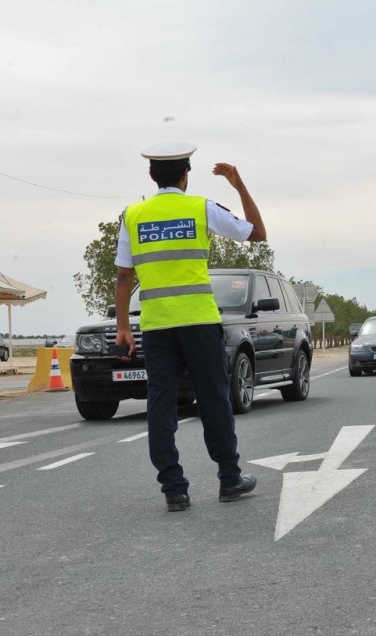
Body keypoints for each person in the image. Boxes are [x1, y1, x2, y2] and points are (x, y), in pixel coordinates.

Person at [114, 142, 266, 511]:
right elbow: (257, 233)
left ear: (152, 176)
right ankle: (229, 480)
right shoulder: (201, 208)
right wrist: (239, 185)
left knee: (161, 406)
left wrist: (123, 327)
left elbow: (122, 277)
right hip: (199, 322)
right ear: (186, 175)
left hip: (157, 327)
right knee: (214, 400)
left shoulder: (132, 215)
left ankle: (173, 490)